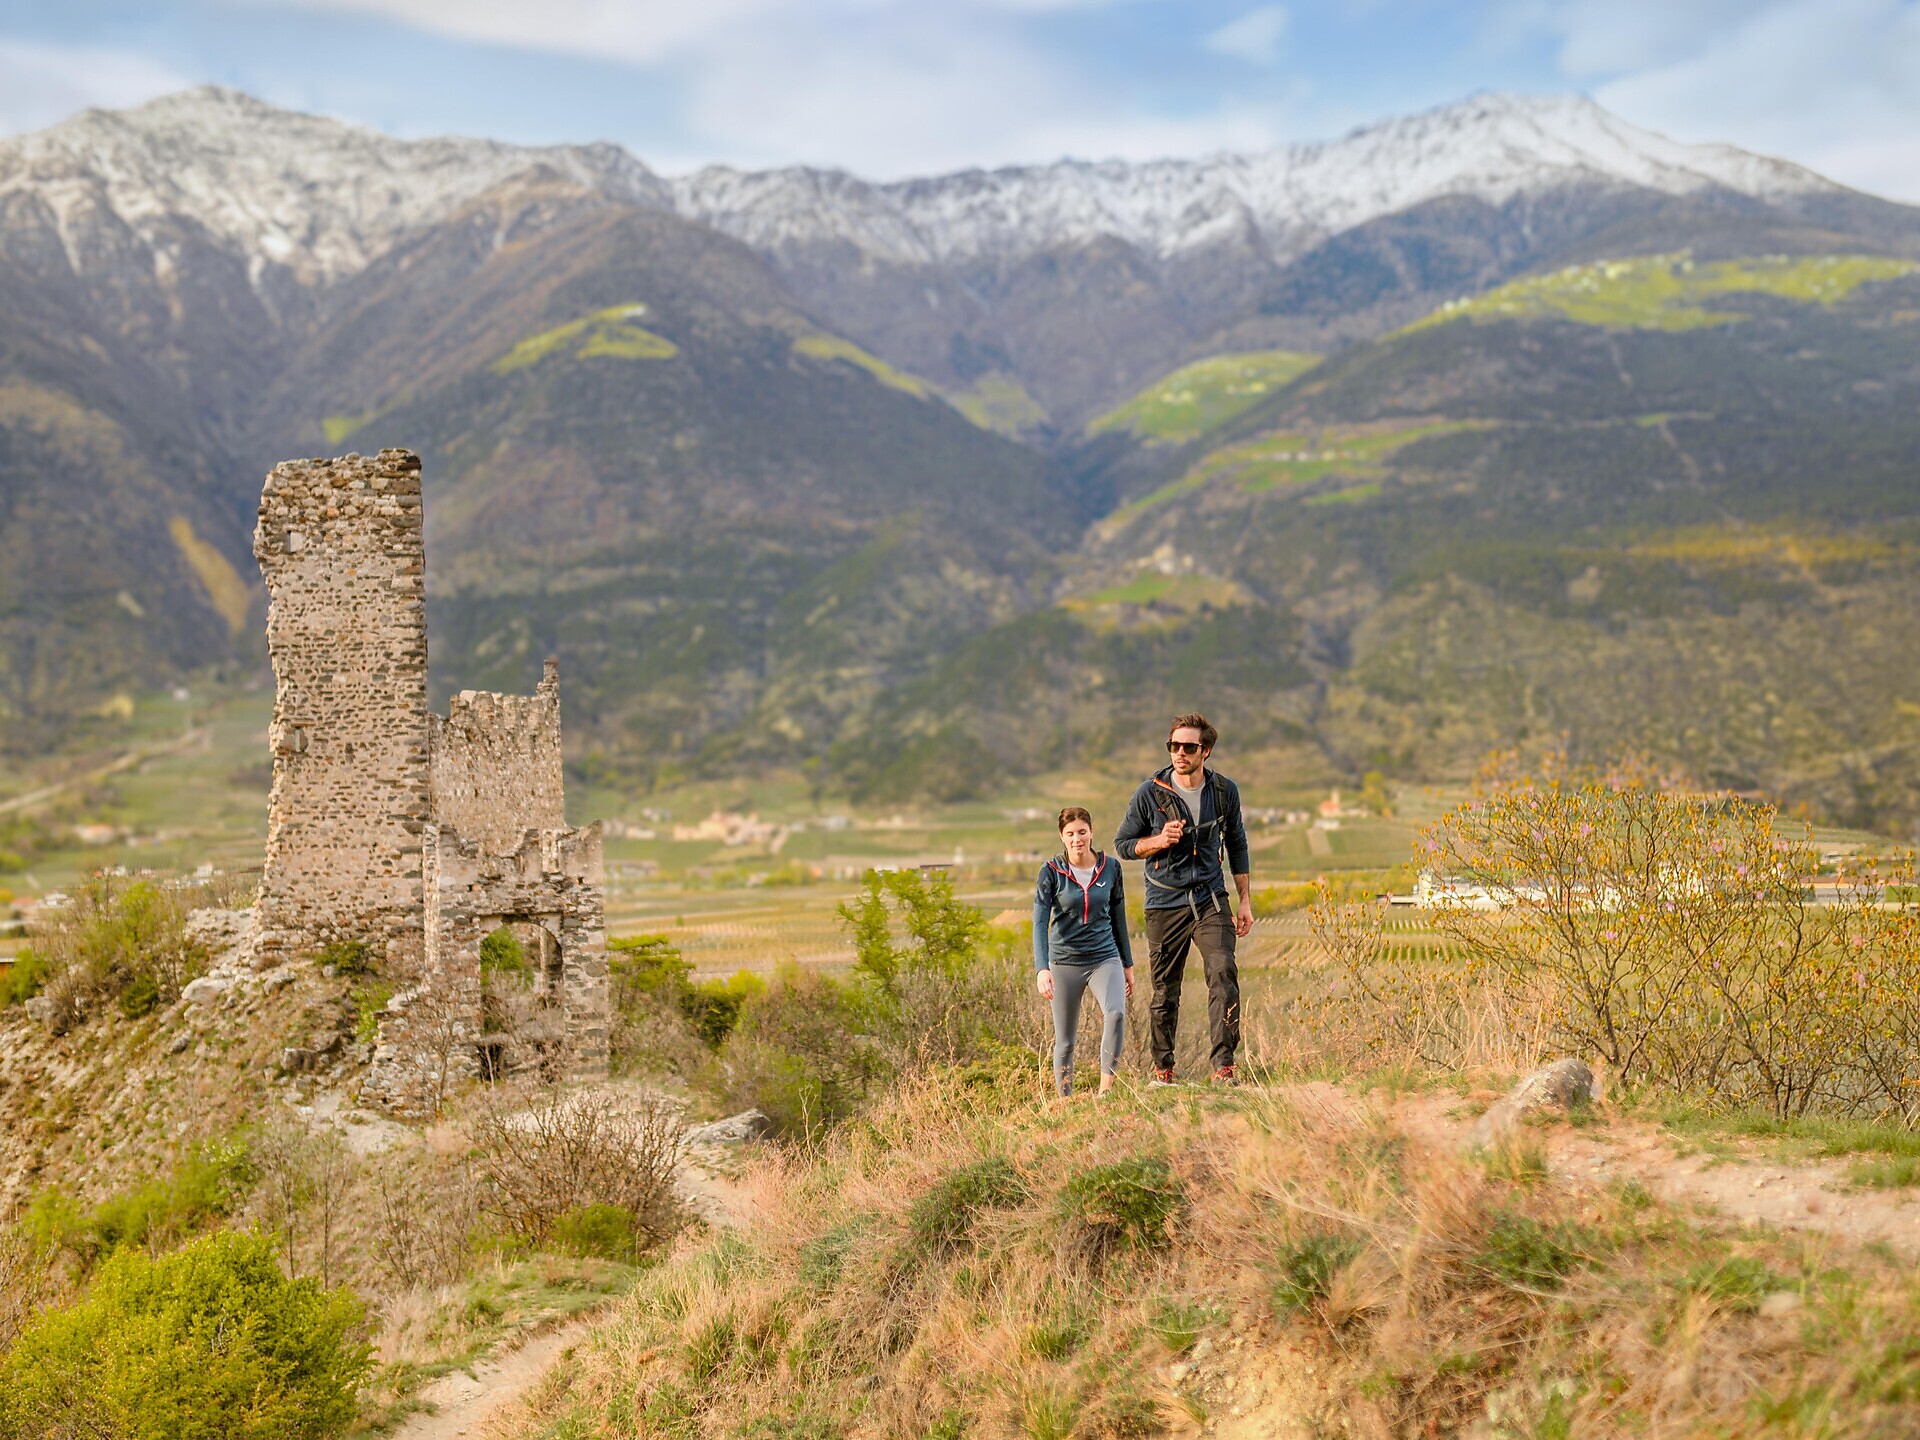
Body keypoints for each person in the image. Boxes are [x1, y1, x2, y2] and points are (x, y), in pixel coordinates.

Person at [1112, 712, 1251, 1086]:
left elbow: (1237, 844)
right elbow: (1123, 845)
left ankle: (1224, 1067)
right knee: (1164, 990)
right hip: (1164, 902)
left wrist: (1244, 900)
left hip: (1210, 899)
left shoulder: (1224, 792)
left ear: (1205, 751)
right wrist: (1158, 841)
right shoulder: (1149, 793)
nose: (1179, 753)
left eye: (1189, 747)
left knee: (1223, 973)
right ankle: (1163, 1070)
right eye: (1174, 746)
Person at [1034, 806, 1134, 1097]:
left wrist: (1127, 964)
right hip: (1064, 962)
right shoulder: (1051, 871)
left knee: (1115, 1013)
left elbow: (1119, 916)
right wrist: (1042, 968)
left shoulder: (1111, 868)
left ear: (1091, 832)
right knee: (1065, 1040)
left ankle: (1105, 1092)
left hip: (1104, 956)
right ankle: (1065, 1102)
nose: (1077, 839)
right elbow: (1040, 922)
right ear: (1061, 838)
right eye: (1070, 834)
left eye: (1082, 832)